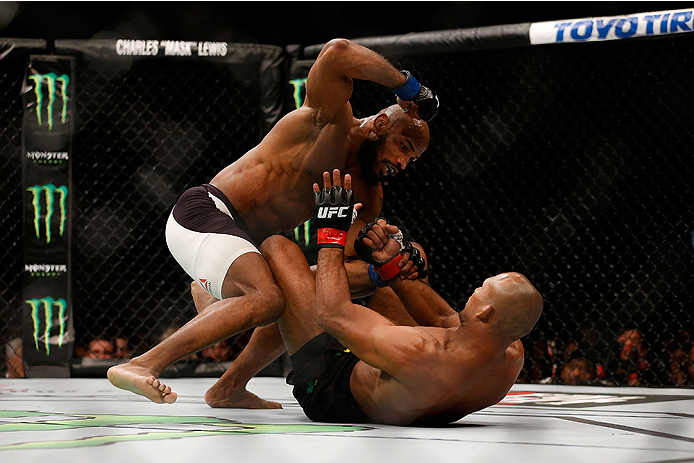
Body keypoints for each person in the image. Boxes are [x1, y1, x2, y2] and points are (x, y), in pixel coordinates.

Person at [107, 38, 436, 406]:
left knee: (297, 295)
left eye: (412, 161)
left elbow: (338, 273)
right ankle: (143, 364)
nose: (403, 165)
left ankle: (228, 385)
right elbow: (338, 52)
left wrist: (382, 268)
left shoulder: (367, 194)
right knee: (267, 297)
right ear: (378, 125)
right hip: (207, 213)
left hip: (244, 247)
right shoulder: (329, 120)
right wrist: (408, 87)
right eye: (404, 148)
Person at [192, 169, 543, 425]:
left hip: (330, 386)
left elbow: (332, 314)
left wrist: (331, 231)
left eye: (481, 289)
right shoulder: (510, 352)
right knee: (386, 277)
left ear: (485, 312)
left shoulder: (420, 352)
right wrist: (391, 264)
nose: (473, 289)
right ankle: (232, 318)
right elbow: (443, 320)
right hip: (404, 385)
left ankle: (225, 301)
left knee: (278, 248)